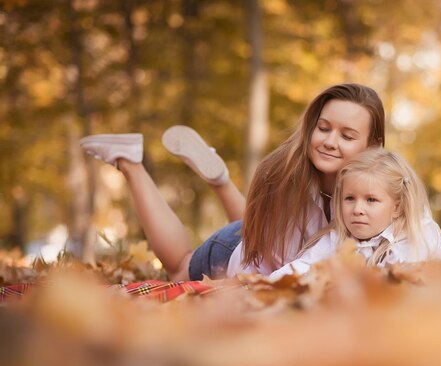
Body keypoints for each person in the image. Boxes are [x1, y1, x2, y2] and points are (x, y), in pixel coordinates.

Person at [80, 83, 385, 281]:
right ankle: (130, 163)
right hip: (235, 252)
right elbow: (265, 269)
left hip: (262, 234)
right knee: (177, 268)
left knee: (261, 223)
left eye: (346, 136)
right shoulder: (287, 178)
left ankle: (220, 179)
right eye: (323, 128)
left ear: (373, 145)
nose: (330, 142)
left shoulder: (387, 187)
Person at [268, 148, 441, 281]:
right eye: (350, 198)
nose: (357, 209)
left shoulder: (418, 235)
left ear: (397, 207)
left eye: (371, 200)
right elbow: (300, 268)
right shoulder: (338, 239)